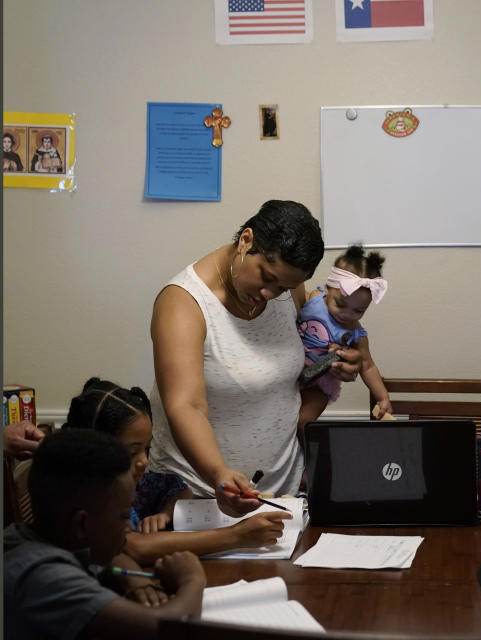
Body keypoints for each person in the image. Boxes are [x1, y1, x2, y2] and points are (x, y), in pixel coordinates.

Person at [148, 200, 361, 517]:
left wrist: (343, 359)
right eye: (266, 277)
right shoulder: (184, 303)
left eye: (284, 287)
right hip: (199, 496)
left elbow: (316, 336)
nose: (270, 294)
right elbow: (186, 406)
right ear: (246, 241)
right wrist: (219, 474)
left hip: (283, 497)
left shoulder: (288, 287)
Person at [64, 377, 292, 565]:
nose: (144, 461)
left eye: (147, 448)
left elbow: (178, 489)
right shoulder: (88, 496)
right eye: (132, 452)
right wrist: (236, 536)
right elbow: (133, 548)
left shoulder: (136, 482)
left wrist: (165, 512)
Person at [4, 429, 206, 640]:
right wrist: (192, 578)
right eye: (124, 516)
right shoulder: (44, 577)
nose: (129, 527)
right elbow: (163, 630)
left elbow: (111, 557)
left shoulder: (36, 536)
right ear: (82, 523)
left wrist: (131, 577)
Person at [297, 244, 392, 418]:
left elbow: (368, 366)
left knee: (303, 420)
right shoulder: (313, 298)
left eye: (358, 311)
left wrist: (383, 397)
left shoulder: (355, 333)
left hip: (319, 383)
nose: (347, 315)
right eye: (340, 304)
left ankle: (311, 444)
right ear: (327, 288)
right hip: (291, 372)